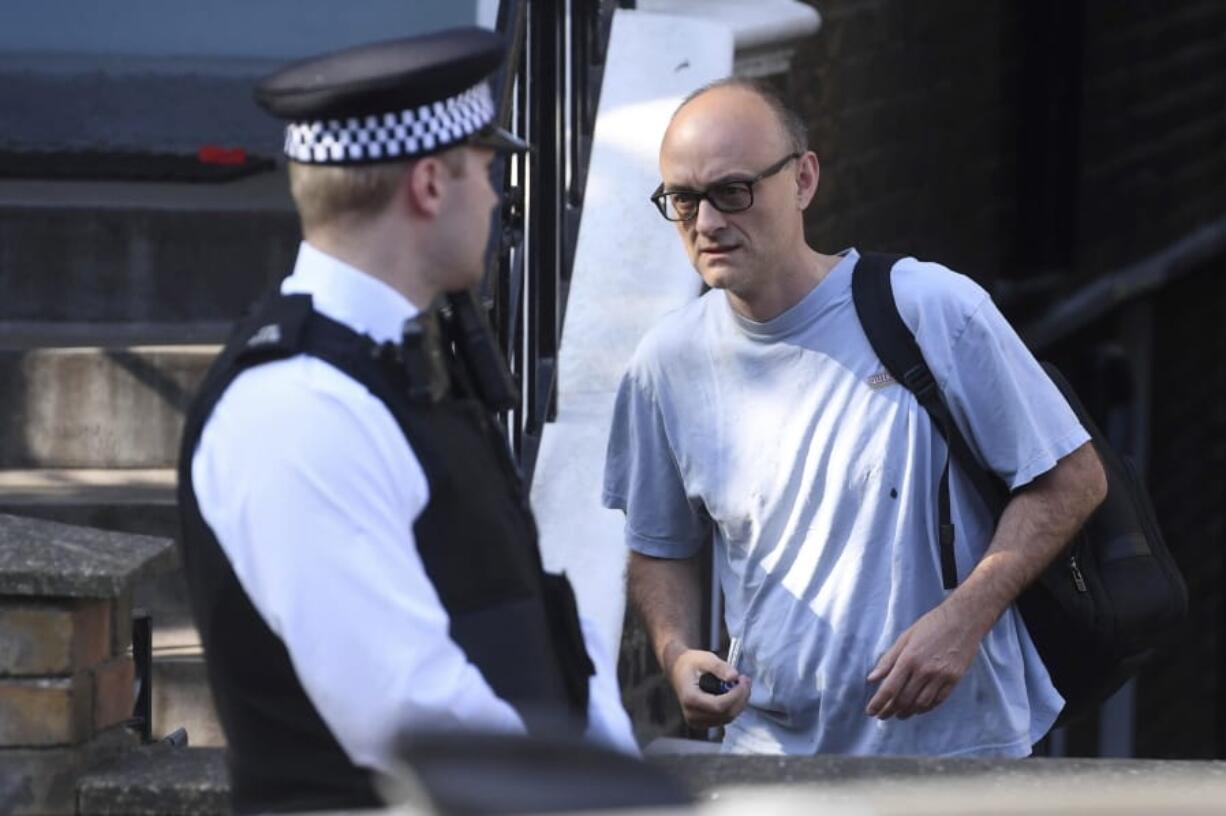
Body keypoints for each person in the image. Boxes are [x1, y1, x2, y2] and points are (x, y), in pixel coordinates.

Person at [177, 28, 635, 814]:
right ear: (429, 183)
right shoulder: (296, 410)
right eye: (486, 171)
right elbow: (418, 720)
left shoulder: (405, 366)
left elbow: (537, 624)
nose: (495, 199)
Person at [602, 78, 1108, 757]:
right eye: (683, 199)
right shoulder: (666, 363)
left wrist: (965, 617)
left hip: (957, 753)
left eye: (732, 192)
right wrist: (676, 654)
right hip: (771, 757)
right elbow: (659, 543)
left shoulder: (931, 308)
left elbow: (1073, 478)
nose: (707, 223)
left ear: (803, 179)